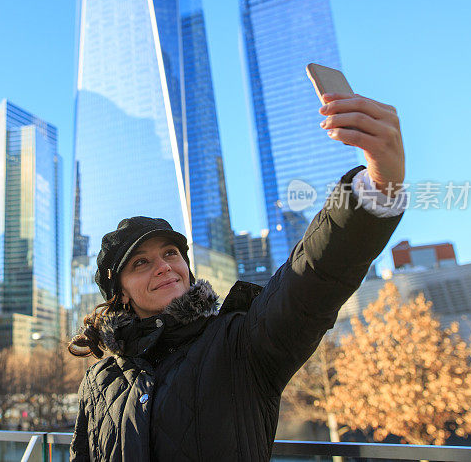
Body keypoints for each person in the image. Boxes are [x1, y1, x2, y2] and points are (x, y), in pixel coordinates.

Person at [67, 93, 407, 461]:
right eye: (141, 263)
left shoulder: (240, 342)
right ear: (122, 294)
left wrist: (377, 186)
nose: (164, 265)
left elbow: (308, 281)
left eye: (170, 253)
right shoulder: (100, 381)